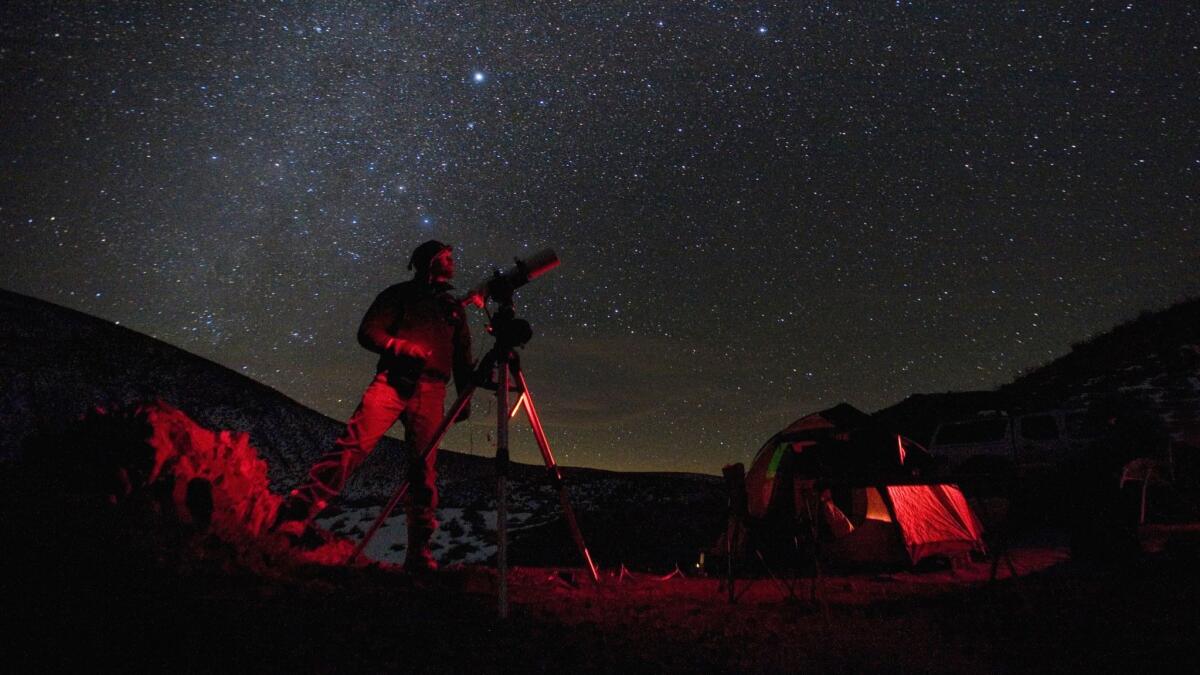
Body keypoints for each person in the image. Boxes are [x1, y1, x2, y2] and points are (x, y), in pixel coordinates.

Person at [273, 240, 474, 571]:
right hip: (392, 383)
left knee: (423, 471)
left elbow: (462, 354)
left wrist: (464, 395)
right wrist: (400, 346)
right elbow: (369, 332)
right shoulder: (399, 294)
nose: (453, 262)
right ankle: (297, 514)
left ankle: (419, 550)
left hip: (432, 391)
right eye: (447, 257)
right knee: (353, 446)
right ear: (429, 261)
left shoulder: (452, 307)